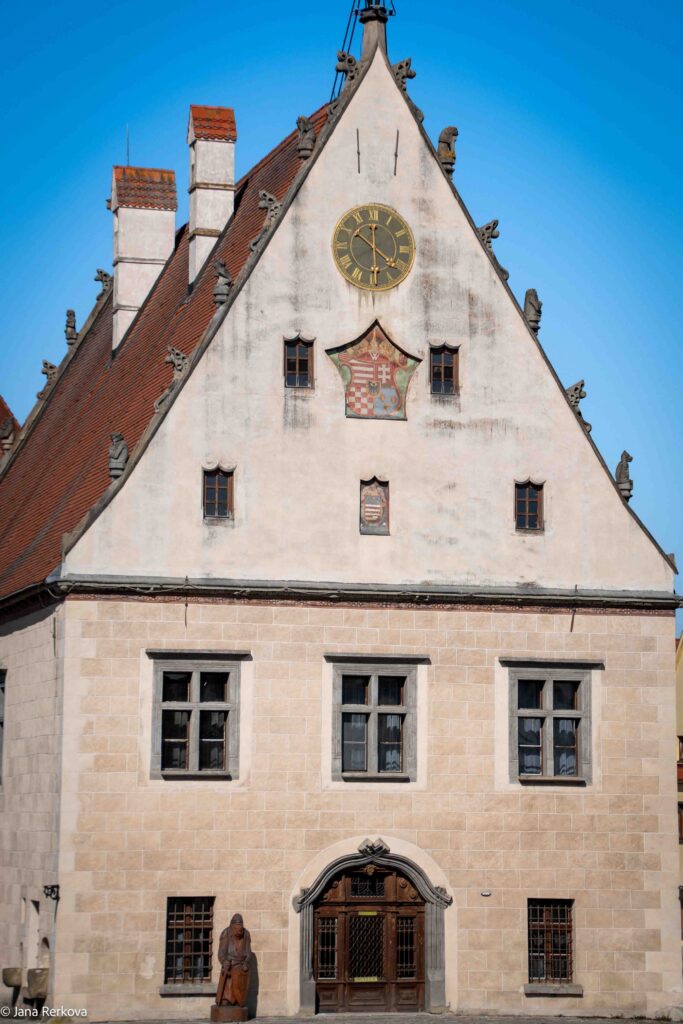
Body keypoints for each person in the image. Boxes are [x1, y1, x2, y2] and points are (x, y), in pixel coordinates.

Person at [215, 914, 252, 1008]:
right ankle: (226, 999)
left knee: (239, 988)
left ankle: (238, 1001)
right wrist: (224, 961)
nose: (239, 932)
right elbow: (221, 952)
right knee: (227, 989)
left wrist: (246, 962)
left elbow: (248, 952)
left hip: (241, 967)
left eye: (240, 930)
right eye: (236, 929)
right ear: (232, 927)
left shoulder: (246, 934)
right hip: (230, 966)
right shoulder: (226, 933)